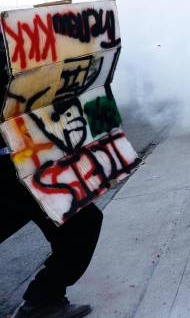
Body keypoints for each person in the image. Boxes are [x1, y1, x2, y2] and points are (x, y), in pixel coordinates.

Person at [1, 50, 99, 318]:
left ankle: (44, 298)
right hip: (14, 160)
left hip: (20, 156)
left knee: (80, 223)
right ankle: (42, 300)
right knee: (82, 222)